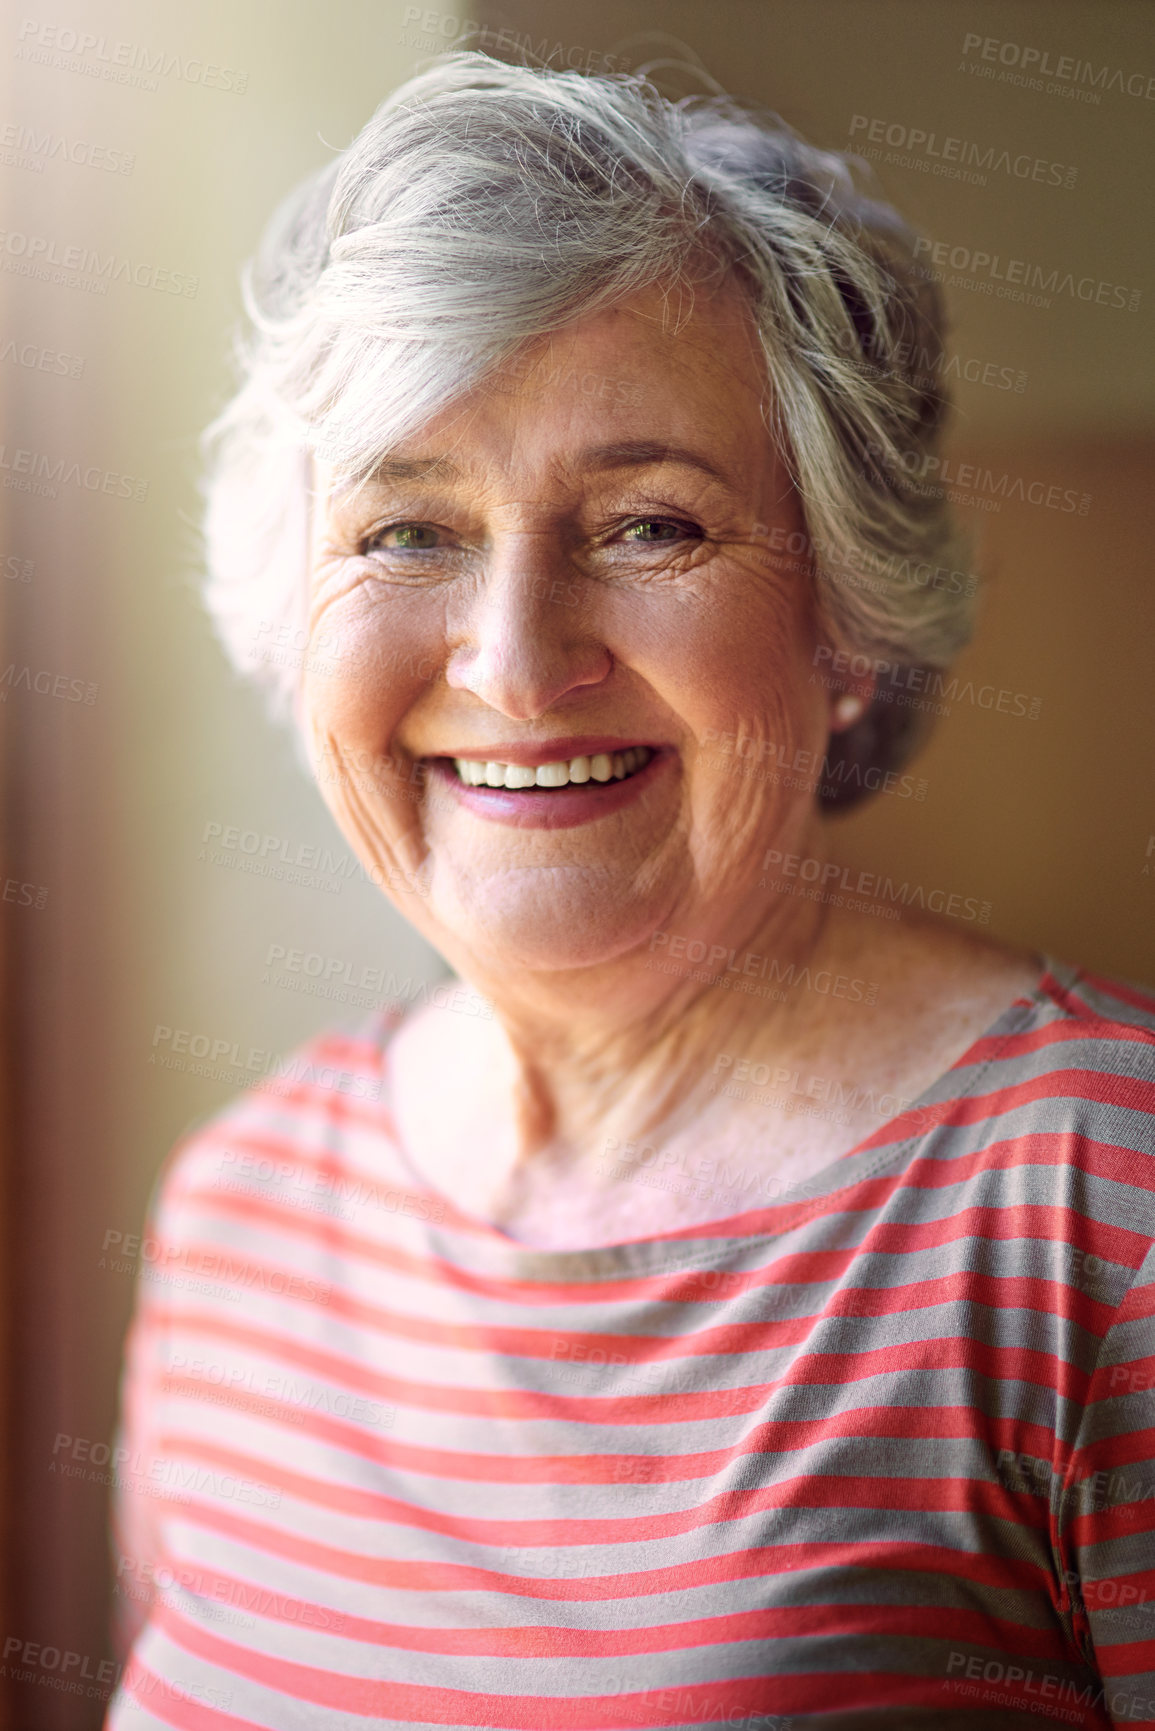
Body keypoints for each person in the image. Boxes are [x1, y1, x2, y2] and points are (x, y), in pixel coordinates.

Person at [106, 54, 1155, 1730]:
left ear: (847, 623)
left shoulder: (1100, 1208)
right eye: (405, 531)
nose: (518, 666)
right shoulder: (240, 1210)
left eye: (652, 525)